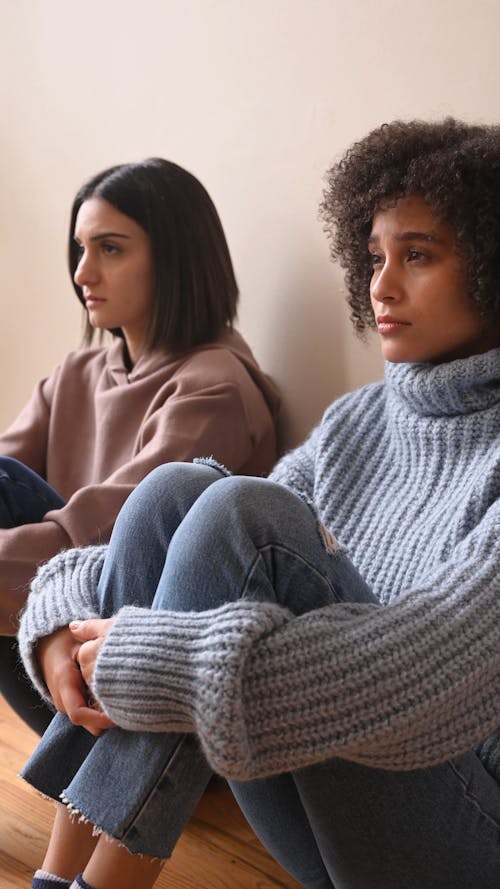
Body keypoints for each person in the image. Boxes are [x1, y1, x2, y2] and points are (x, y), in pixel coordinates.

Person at [18, 117, 500, 889]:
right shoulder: (358, 421)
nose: (381, 285)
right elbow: (140, 548)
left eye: (418, 255)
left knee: (246, 515)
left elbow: (421, 674)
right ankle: (60, 876)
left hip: (469, 833)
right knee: (182, 493)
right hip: (341, 824)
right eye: (374, 256)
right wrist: (57, 628)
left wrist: (157, 662)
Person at [0, 157, 280, 735]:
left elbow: (106, 533)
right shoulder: (76, 372)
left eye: (110, 249)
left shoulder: (214, 386)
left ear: (175, 259)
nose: (82, 274)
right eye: (79, 250)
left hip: (142, 674)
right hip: (54, 624)